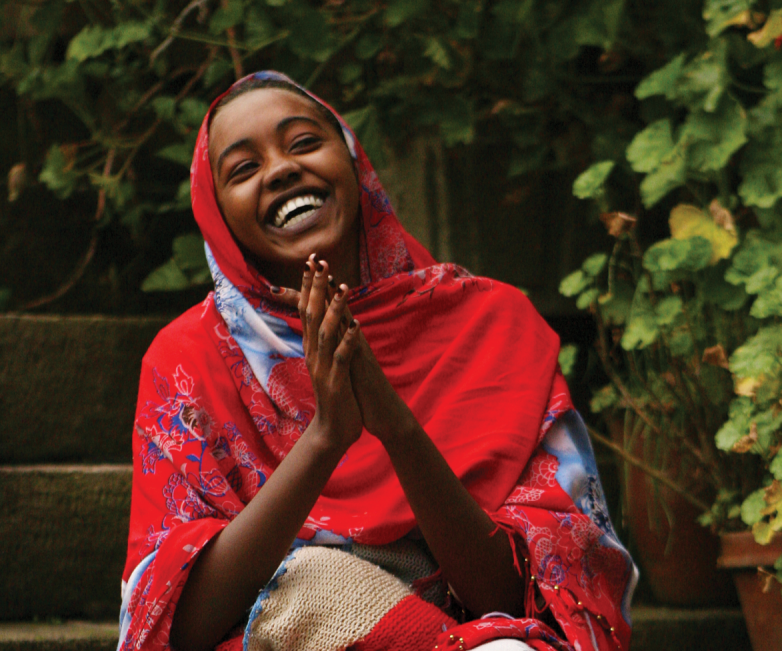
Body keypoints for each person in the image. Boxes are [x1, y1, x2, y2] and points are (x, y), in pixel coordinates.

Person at [118, 71, 636, 651]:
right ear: (217, 215)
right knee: (316, 581)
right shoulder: (188, 360)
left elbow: (524, 598)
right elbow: (177, 627)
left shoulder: (494, 326)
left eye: (304, 143)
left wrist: (396, 426)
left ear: (355, 163)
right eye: (243, 169)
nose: (282, 169)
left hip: (486, 635)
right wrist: (325, 439)